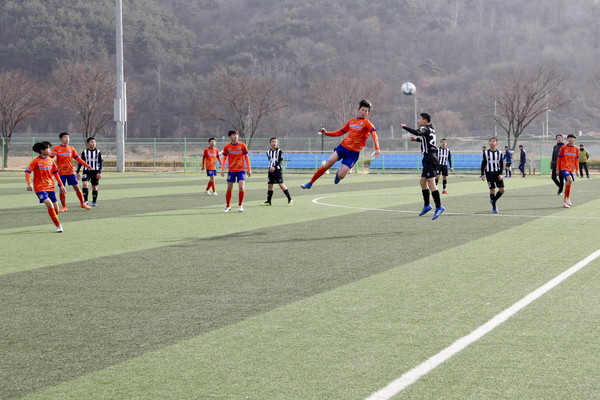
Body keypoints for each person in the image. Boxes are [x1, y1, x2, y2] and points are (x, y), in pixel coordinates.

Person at [301, 99, 380, 189]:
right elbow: (340, 132)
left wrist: (377, 148)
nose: (364, 112)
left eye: (366, 111)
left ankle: (338, 174)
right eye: (362, 110)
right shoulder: (351, 121)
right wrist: (326, 133)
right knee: (327, 165)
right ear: (358, 110)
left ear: (368, 113)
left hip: (353, 154)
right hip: (343, 148)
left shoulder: (367, 123)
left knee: (341, 176)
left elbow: (374, 134)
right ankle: (310, 183)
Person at [401, 112, 445, 220]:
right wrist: (416, 140)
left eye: (420, 119)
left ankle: (439, 207)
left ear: (425, 120)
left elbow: (417, 132)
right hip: (429, 157)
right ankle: (427, 205)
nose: (418, 120)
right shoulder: (431, 129)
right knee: (422, 182)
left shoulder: (425, 128)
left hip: (430, 158)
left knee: (431, 183)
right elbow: (427, 140)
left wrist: (405, 127)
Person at [25, 141, 68, 233]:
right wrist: (29, 183)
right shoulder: (36, 161)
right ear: (41, 150)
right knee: (49, 204)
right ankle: (58, 226)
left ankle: (54, 218)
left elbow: (56, 173)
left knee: (56, 209)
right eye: (48, 148)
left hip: (51, 187)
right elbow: (27, 172)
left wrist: (61, 185)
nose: (50, 150)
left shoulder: (51, 160)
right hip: (39, 188)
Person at [51, 132, 92, 211]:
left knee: (76, 187)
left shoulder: (71, 148)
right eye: (65, 137)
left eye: (68, 137)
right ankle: (64, 207)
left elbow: (78, 158)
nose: (67, 139)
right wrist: (52, 156)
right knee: (62, 189)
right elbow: (49, 159)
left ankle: (82, 203)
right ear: (61, 139)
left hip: (71, 172)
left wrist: (86, 165)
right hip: (61, 173)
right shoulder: (56, 148)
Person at [221, 130, 251, 212]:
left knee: (241, 187)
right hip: (231, 170)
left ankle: (240, 205)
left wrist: (249, 169)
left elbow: (246, 158)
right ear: (230, 136)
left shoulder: (242, 145)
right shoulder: (227, 147)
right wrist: (222, 169)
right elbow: (224, 159)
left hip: (241, 170)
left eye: (237, 134)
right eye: (234, 135)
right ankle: (228, 206)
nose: (236, 136)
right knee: (229, 187)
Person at [261, 137, 293, 206]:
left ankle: (290, 199)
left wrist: (274, 167)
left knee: (281, 184)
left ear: (277, 143)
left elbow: (280, 160)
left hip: (277, 170)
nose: (274, 143)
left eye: (275, 142)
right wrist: (271, 167)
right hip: (270, 170)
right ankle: (268, 201)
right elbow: (270, 160)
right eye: (273, 142)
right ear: (270, 143)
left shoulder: (279, 151)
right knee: (270, 185)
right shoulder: (268, 152)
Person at [480, 137, 505, 213]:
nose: (492, 143)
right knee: (492, 190)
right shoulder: (486, 153)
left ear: (496, 143)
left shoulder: (499, 153)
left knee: (502, 190)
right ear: (489, 143)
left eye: (493, 141)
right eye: (490, 141)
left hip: (497, 173)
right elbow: (483, 163)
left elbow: (501, 164)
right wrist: (482, 174)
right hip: (489, 174)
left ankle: (493, 200)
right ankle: (494, 207)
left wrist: (501, 174)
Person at [76, 137, 103, 206]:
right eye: (91, 142)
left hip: (95, 171)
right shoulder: (85, 152)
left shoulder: (98, 152)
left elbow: (101, 163)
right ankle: (86, 201)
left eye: (94, 142)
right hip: (86, 171)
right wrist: (78, 171)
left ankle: (94, 202)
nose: (93, 143)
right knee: (85, 184)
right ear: (88, 143)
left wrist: (99, 172)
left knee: (94, 187)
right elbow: (80, 162)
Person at [557, 134, 579, 208]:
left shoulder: (576, 149)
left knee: (569, 182)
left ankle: (567, 199)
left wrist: (577, 170)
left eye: (571, 138)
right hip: (564, 168)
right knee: (569, 180)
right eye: (569, 138)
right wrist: (557, 169)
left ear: (574, 139)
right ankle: (566, 201)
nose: (570, 139)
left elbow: (576, 160)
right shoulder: (563, 148)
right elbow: (559, 158)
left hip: (571, 169)